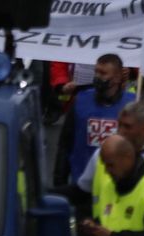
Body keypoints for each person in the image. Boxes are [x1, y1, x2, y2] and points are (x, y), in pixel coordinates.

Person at [53, 53, 131, 190]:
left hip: (117, 184)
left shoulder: (131, 104)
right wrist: (60, 181)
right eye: (96, 72)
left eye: (103, 73)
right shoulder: (81, 101)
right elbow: (65, 143)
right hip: (82, 184)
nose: (98, 77)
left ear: (117, 77)